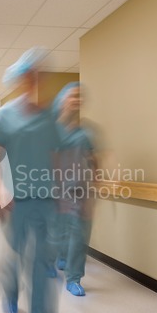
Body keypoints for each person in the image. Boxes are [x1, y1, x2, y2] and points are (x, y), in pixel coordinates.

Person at [0, 47, 61, 313]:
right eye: (28, 74)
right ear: (20, 79)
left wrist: (62, 193)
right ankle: (9, 292)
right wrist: (0, 192)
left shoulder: (49, 118)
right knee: (13, 256)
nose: (33, 79)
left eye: (38, 74)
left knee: (42, 262)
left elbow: (56, 157)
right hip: (14, 200)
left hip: (44, 200)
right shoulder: (4, 116)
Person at [52, 82, 100, 296]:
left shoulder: (86, 132)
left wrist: (95, 190)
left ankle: (74, 278)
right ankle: (59, 258)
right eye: (72, 95)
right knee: (56, 232)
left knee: (79, 236)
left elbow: (93, 160)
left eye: (79, 96)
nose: (77, 99)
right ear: (62, 101)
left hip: (80, 191)